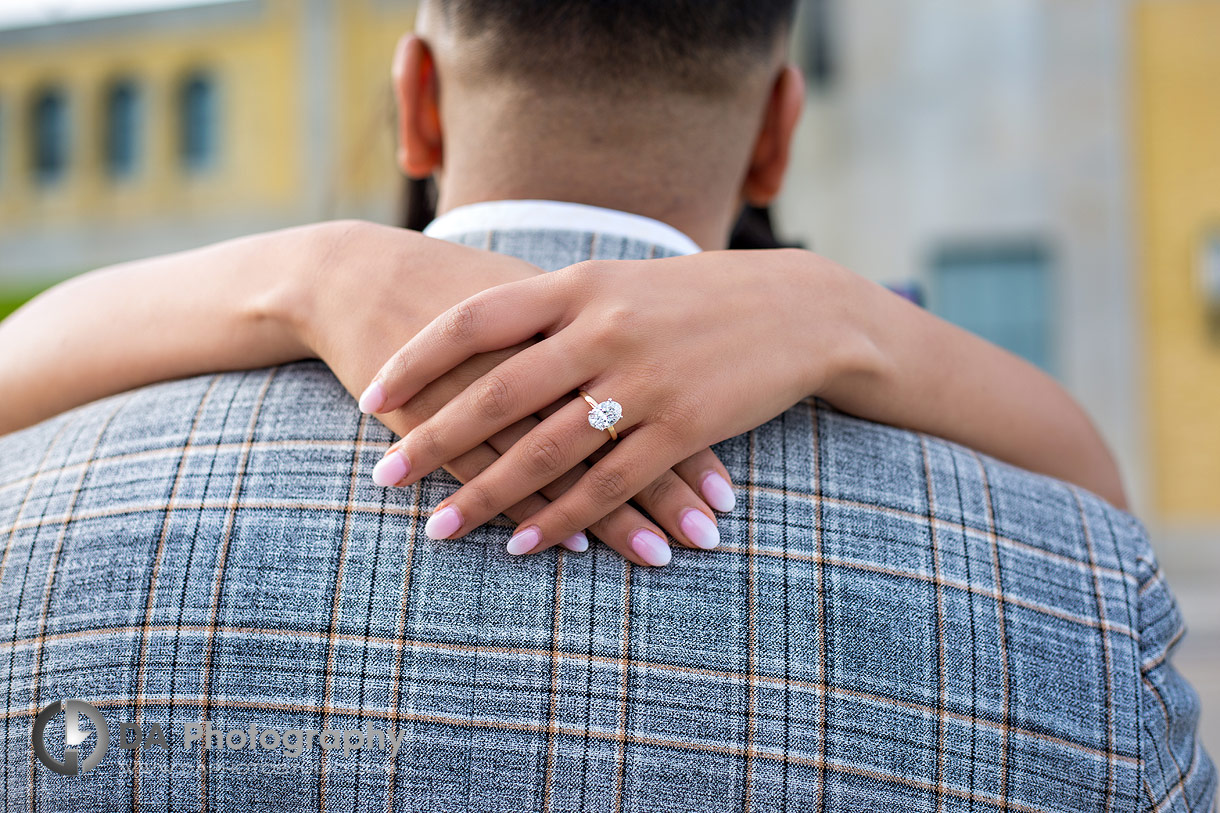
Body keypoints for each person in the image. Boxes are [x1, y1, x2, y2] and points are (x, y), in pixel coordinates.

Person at [0, 1, 1213, 810]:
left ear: (415, 100)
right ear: (774, 139)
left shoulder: (28, 516)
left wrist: (296, 271)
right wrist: (853, 318)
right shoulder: (1074, 582)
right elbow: (1091, 490)